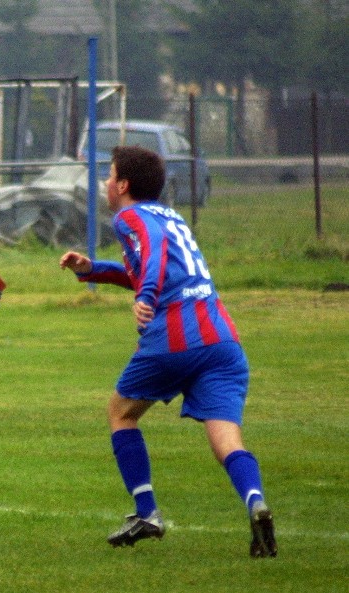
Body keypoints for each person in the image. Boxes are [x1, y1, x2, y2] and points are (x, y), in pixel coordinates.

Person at [59, 145, 277, 558]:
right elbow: (150, 263)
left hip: (174, 338)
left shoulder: (129, 216)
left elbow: (154, 255)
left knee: (120, 413)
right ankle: (255, 501)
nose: (106, 182)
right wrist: (91, 270)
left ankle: (146, 512)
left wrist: (146, 295)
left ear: (122, 185)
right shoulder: (170, 215)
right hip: (222, 339)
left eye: (109, 175)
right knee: (227, 439)